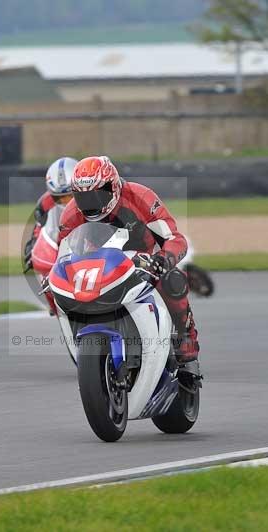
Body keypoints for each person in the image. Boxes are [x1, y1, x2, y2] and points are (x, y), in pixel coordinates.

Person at [56, 156, 201, 377]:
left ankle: (187, 344)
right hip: (100, 264)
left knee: (174, 280)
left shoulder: (140, 197)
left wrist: (163, 260)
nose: (90, 202)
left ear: (113, 186)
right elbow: (63, 254)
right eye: (83, 197)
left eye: (97, 193)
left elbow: (174, 238)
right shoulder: (71, 213)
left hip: (145, 260)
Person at [23, 157, 78, 273]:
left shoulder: (92, 199)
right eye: (60, 198)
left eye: (70, 196)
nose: (66, 202)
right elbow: (38, 229)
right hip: (60, 253)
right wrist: (32, 247)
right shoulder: (44, 204)